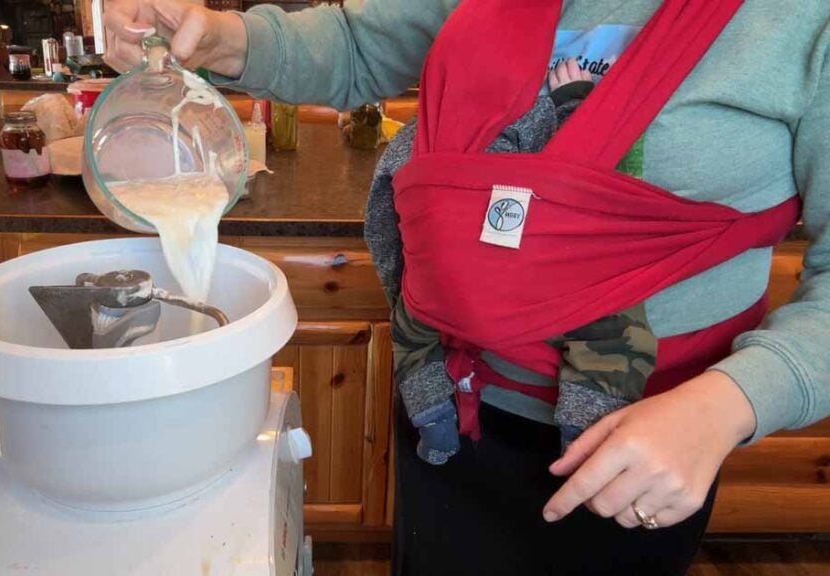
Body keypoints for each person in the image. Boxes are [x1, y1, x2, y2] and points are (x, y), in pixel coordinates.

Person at [103, 1, 830, 575]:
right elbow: (359, 46)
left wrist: (727, 405)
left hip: (634, 451)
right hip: (445, 412)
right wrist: (218, 37)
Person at [381, 58, 658, 465]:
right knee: (611, 326)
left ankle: (432, 417)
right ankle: (585, 436)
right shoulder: (539, 117)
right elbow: (592, 178)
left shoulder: (428, 129)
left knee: (411, 328)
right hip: (529, 259)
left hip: (448, 264)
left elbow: (397, 191)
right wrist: (576, 103)